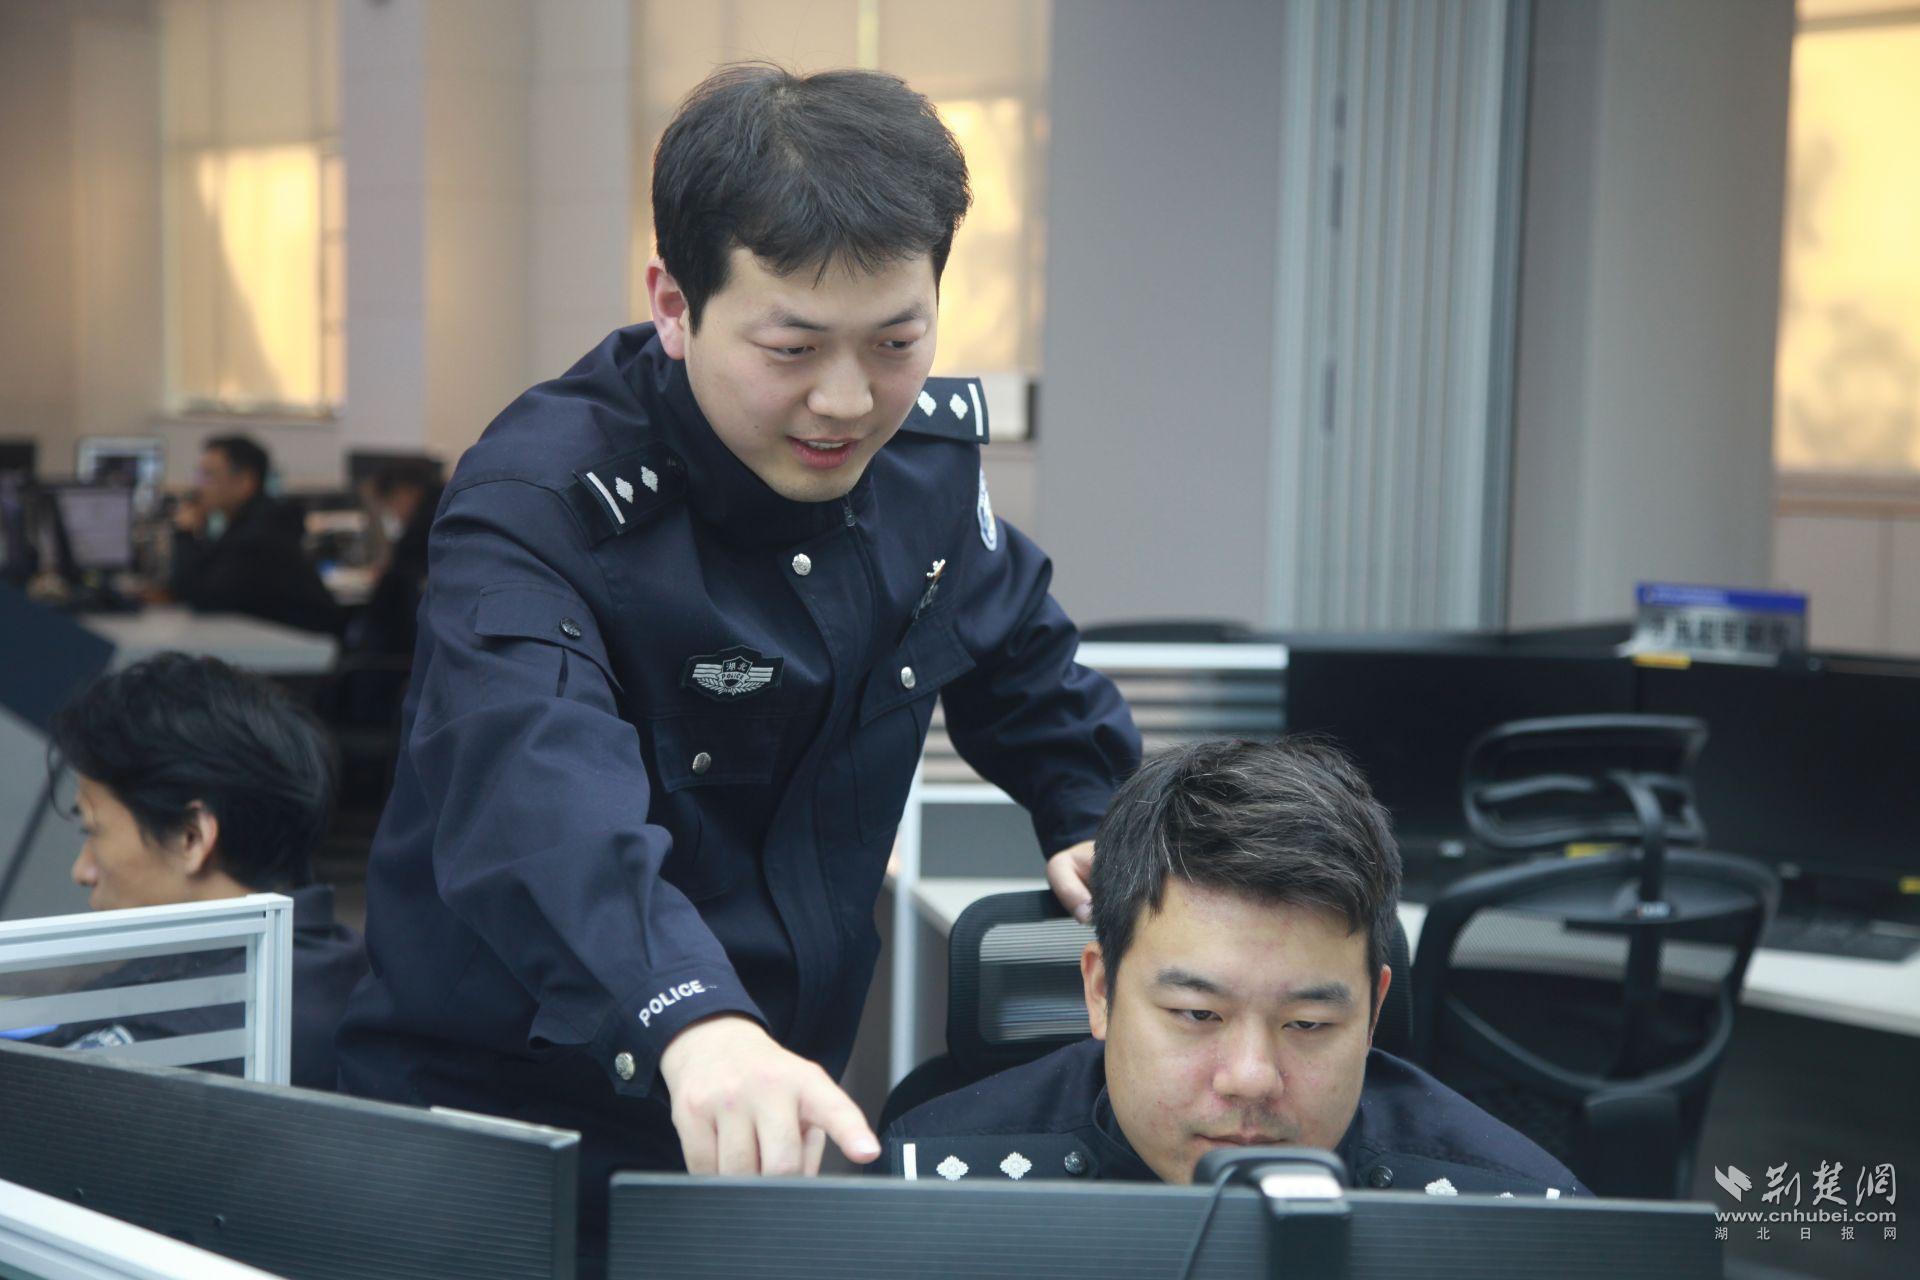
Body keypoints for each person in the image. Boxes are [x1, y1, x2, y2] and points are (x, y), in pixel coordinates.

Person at [334, 62, 1142, 1253]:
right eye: (793, 346)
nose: (848, 400)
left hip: (764, 1100)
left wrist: (1090, 806)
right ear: (675, 304)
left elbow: (1015, 643)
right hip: (506, 1121)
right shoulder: (542, 501)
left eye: (897, 341)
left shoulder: (918, 469)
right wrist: (687, 1009)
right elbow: (533, 788)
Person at [883, 738, 1588, 1198]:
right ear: (1101, 991)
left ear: (1374, 1011)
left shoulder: (1513, 1215)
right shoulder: (930, 1187)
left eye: (1307, 1023)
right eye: (1198, 1014)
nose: (1251, 1078)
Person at [36, 653, 367, 1090]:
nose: (82, 871)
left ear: (190, 837)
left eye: (94, 831)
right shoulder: (349, 971)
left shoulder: (174, 1040)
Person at [167, 435, 343, 635]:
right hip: (281, 640)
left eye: (208, 476)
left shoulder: (261, 534)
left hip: (303, 646)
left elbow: (204, 596)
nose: (198, 486)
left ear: (245, 481)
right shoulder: (250, 523)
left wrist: (185, 534)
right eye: (199, 475)